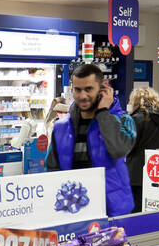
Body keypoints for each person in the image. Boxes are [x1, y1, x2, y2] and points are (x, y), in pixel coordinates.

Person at [46, 64, 136, 216]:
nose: (82, 96)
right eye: (77, 90)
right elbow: (52, 171)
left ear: (102, 90)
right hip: (74, 210)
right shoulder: (60, 128)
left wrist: (102, 112)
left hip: (112, 211)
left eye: (88, 89)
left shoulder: (123, 120)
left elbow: (119, 149)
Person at [126, 86, 159, 213]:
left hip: (136, 173)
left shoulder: (136, 119)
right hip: (158, 172)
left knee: (136, 210)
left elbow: (128, 146)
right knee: (153, 208)